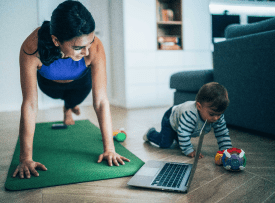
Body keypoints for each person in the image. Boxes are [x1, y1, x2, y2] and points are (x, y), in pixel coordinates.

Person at [13, 0, 130, 179]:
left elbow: (100, 101)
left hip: (79, 83)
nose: (86, 51)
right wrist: (25, 158)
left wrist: (110, 149)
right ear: (56, 40)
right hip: (49, 84)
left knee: (75, 98)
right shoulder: (32, 47)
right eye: (78, 47)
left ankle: (69, 107)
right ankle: (68, 106)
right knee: (58, 94)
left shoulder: (95, 47)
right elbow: (29, 104)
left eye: (89, 43)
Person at [143, 82, 232, 158]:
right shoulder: (190, 114)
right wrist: (188, 150)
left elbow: (222, 133)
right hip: (170, 118)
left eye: (219, 114)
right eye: (212, 114)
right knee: (165, 143)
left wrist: (227, 151)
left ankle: (175, 136)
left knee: (180, 141)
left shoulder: (217, 116)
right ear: (199, 106)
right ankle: (150, 133)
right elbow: (183, 132)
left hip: (181, 124)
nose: (216, 118)